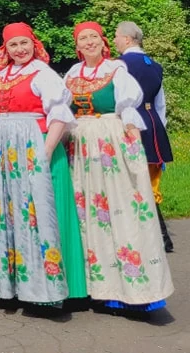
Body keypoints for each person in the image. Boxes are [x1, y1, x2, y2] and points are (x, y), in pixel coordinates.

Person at [64, 22, 174, 311]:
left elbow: (128, 110)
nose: (89, 43)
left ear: (104, 43)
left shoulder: (116, 70)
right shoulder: (72, 74)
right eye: (83, 39)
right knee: (86, 212)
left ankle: (130, 290)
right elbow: (64, 112)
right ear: (77, 46)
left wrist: (134, 147)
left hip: (109, 142)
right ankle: (91, 286)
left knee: (117, 208)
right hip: (80, 147)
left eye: (94, 38)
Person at [0, 23, 84, 306]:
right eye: (13, 45)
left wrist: (45, 150)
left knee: (38, 213)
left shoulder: (43, 74)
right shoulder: (1, 76)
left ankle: (45, 292)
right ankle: (15, 287)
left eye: (24, 44)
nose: (20, 50)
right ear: (5, 49)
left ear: (34, 44)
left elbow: (59, 114)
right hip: (7, 150)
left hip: (33, 143)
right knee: (12, 213)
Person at [114, 21, 175, 253]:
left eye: (117, 37)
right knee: (150, 180)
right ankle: (160, 236)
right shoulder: (155, 65)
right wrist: (160, 127)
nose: (115, 41)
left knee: (133, 181)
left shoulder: (119, 65)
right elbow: (161, 105)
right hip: (154, 125)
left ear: (128, 39)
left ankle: (158, 237)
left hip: (133, 124)